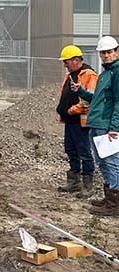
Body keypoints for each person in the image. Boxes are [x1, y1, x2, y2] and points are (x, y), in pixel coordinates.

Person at [73, 36, 119, 216]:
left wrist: (114, 126)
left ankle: (115, 203)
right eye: (103, 53)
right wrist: (82, 91)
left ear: (116, 51)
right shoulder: (106, 73)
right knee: (102, 162)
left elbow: (118, 103)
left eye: (109, 52)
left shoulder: (116, 73)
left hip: (107, 126)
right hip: (97, 123)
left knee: (112, 162)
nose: (106, 55)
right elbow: (99, 98)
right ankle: (110, 198)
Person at [55, 45, 97, 197]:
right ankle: (74, 181)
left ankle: (88, 185)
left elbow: (89, 99)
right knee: (71, 149)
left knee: (84, 152)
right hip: (70, 121)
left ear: (76, 60)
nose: (64, 65)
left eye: (66, 61)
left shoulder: (89, 75)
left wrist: (72, 110)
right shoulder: (70, 75)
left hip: (81, 122)